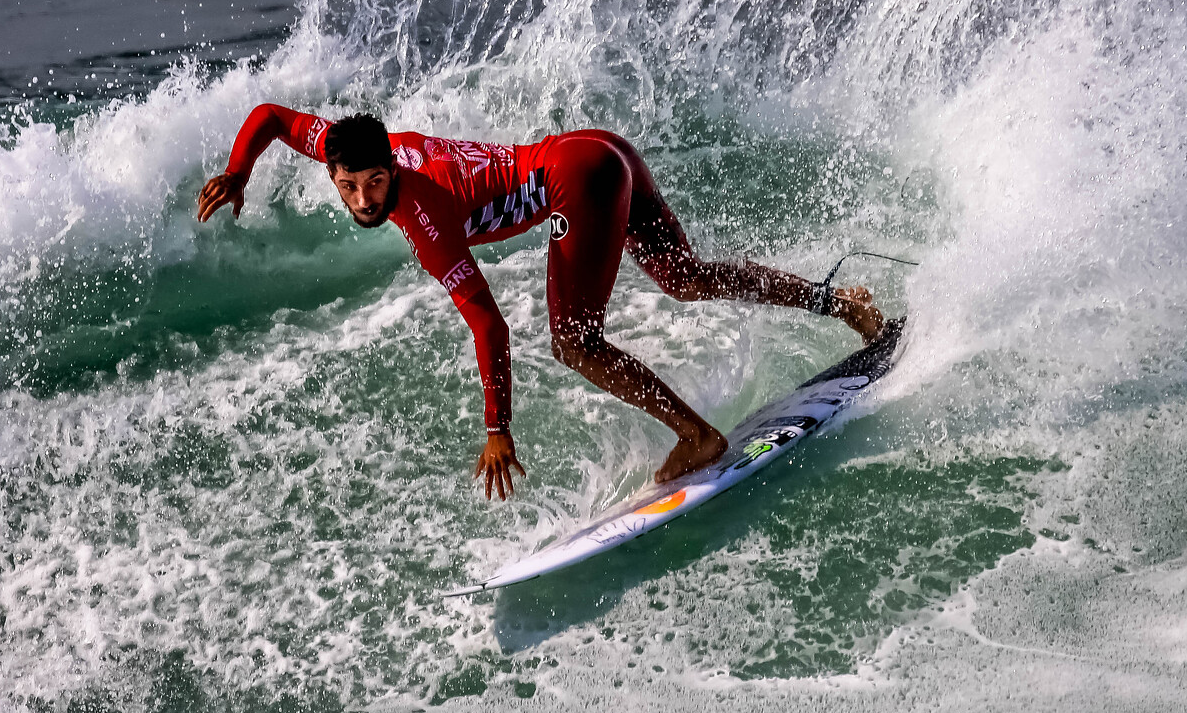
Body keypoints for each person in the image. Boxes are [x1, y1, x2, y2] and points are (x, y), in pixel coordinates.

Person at [197, 105, 885, 500]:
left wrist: (499, 425)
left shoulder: (425, 216)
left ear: (392, 170)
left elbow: (488, 323)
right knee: (681, 274)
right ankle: (843, 302)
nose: (364, 200)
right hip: (596, 149)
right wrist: (238, 169)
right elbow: (274, 117)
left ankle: (697, 434)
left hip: (575, 184)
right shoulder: (346, 146)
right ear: (333, 169)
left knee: (573, 341)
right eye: (350, 187)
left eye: (375, 183)